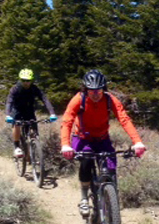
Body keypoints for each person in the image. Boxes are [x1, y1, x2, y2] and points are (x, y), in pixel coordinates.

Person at [61, 69, 146, 216]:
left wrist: (137, 142)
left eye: (98, 90)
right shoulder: (78, 99)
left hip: (102, 138)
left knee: (111, 167)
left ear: (103, 89)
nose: (95, 94)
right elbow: (67, 121)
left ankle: (110, 199)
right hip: (82, 138)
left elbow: (124, 119)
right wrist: (65, 145)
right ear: (85, 89)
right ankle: (84, 198)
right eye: (91, 91)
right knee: (86, 160)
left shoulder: (109, 99)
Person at [5, 68, 57, 157]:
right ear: (20, 79)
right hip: (17, 111)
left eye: (28, 80)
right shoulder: (15, 89)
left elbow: (44, 99)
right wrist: (8, 115)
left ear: (31, 80)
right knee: (16, 124)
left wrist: (52, 113)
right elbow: (9, 102)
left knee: (34, 133)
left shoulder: (34, 89)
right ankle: (17, 147)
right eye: (23, 80)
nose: (26, 82)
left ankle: (32, 152)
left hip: (29, 111)